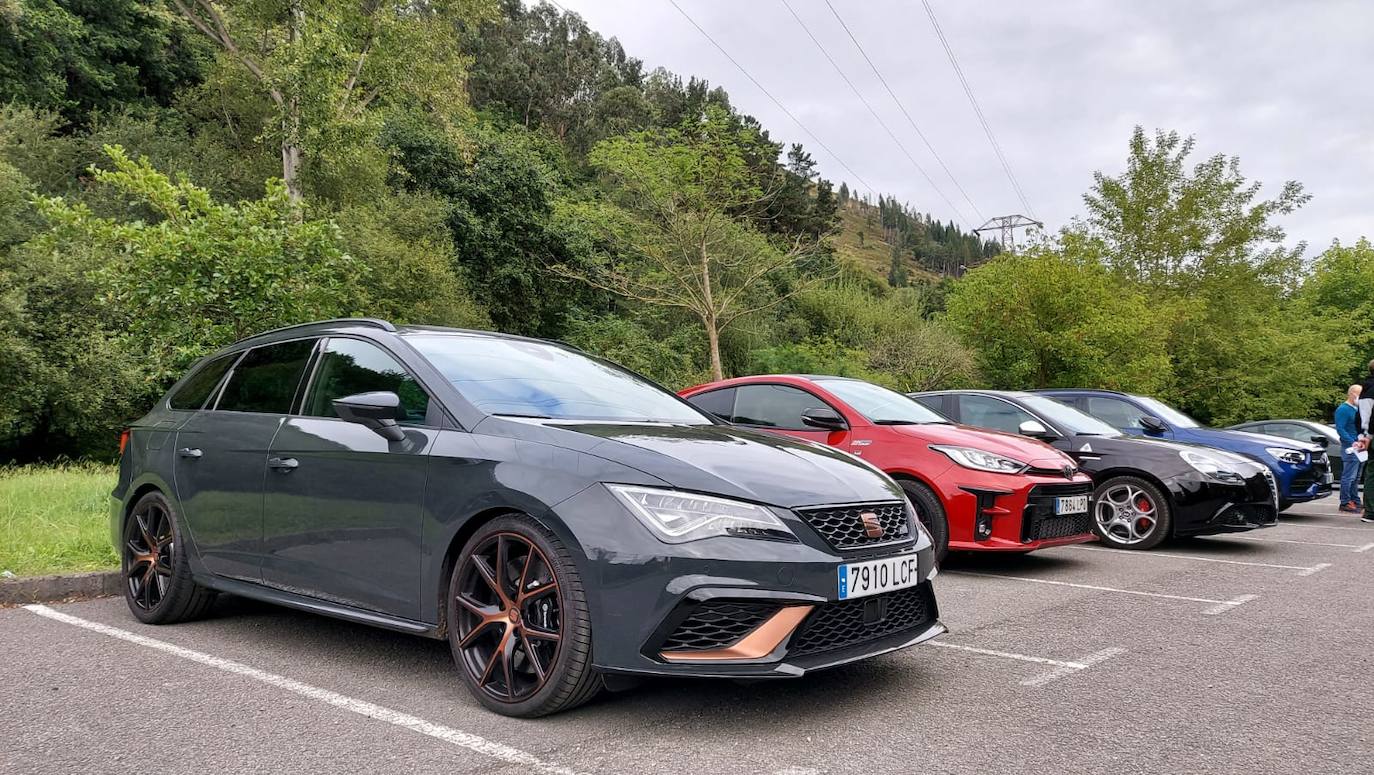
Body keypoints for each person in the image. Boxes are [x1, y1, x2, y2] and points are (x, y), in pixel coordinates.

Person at [1335, 384, 1362, 512]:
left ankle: (1355, 500)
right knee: (1349, 476)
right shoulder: (1343, 409)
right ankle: (1345, 502)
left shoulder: (1356, 409)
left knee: (1356, 477)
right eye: (1359, 394)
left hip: (1360, 446)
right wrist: (1352, 442)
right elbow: (1340, 429)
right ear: (1352, 394)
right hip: (1351, 447)